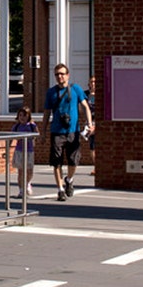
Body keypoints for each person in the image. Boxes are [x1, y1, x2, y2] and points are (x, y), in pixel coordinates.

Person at [42, 63, 94, 201]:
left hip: (73, 131)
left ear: (67, 75)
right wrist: (43, 131)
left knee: (73, 161)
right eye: (57, 74)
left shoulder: (75, 89)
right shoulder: (51, 92)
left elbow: (85, 106)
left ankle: (69, 180)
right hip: (57, 131)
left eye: (62, 74)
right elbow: (47, 113)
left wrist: (89, 123)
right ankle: (60, 190)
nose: (60, 76)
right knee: (56, 162)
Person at [10, 107, 38, 198]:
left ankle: (28, 183)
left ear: (28, 116)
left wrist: (34, 136)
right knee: (21, 171)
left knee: (29, 170)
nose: (22, 118)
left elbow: (37, 134)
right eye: (20, 115)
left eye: (25, 115)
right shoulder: (16, 126)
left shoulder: (31, 126)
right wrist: (8, 148)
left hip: (29, 150)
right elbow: (10, 138)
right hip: (19, 150)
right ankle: (21, 190)